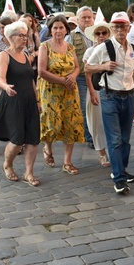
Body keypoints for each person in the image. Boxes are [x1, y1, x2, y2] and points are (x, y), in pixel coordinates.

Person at [85, 12, 134, 194]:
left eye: (123, 26)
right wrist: (103, 66)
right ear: (112, 29)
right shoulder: (104, 47)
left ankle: (121, 169)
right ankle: (119, 178)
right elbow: (87, 67)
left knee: (126, 139)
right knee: (115, 139)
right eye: (117, 27)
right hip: (109, 96)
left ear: (129, 28)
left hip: (128, 96)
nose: (120, 30)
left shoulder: (133, 49)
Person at [0, 21, 41, 187]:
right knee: (17, 139)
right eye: (20, 35)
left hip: (29, 100)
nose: (24, 38)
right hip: (13, 100)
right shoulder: (4, 55)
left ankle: (29, 172)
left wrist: (37, 100)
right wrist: (6, 87)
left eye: (25, 35)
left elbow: (31, 81)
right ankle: (8, 164)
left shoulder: (26, 55)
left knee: (33, 138)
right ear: (10, 37)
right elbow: (0, 77)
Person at [37, 15, 84, 174]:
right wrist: (62, 80)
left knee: (71, 124)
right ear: (50, 30)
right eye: (55, 27)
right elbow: (41, 71)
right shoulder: (45, 46)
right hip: (51, 90)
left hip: (69, 90)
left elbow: (77, 67)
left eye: (61, 27)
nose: (58, 30)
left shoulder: (70, 47)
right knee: (53, 125)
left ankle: (67, 162)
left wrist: (72, 76)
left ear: (66, 30)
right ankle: (48, 147)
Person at [83, 18, 112, 168]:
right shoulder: (90, 51)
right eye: (98, 33)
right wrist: (92, 93)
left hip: (112, 90)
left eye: (104, 33)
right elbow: (87, 73)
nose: (101, 36)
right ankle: (102, 153)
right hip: (95, 89)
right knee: (97, 123)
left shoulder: (113, 49)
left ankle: (112, 151)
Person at [65, 6, 95, 148]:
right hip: (81, 77)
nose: (87, 20)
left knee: (98, 107)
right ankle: (89, 137)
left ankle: (97, 134)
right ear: (77, 20)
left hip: (98, 75)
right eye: (84, 17)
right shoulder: (71, 36)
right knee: (84, 107)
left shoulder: (100, 32)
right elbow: (67, 58)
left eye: (89, 17)